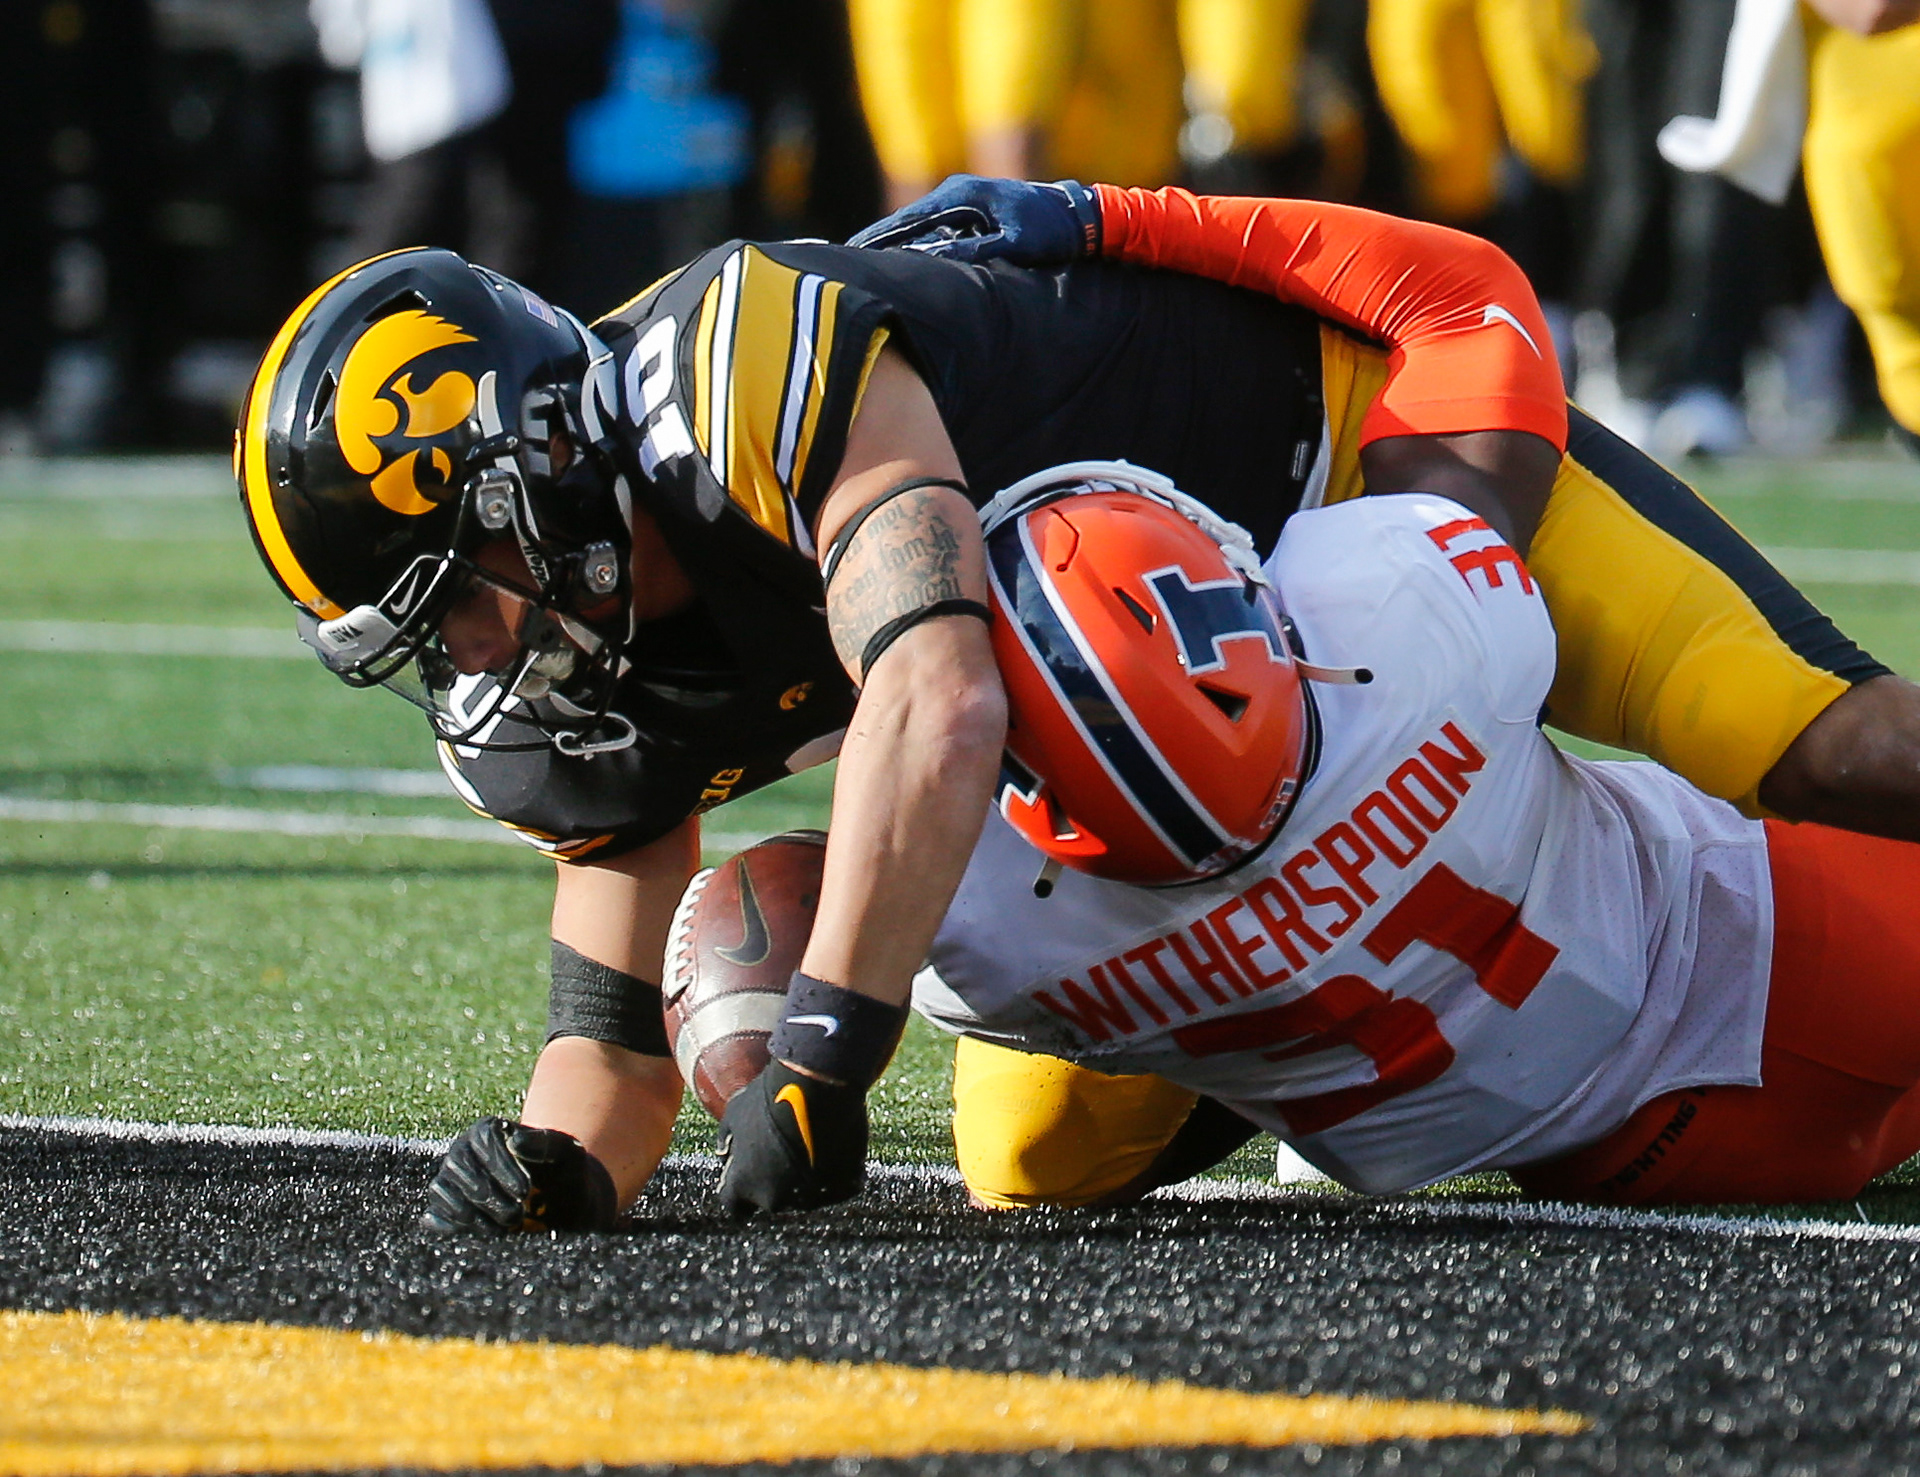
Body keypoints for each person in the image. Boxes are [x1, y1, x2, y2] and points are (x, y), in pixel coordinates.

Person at [235, 178, 1919, 1230]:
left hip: (1330, 483)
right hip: (1114, 719)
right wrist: (563, 1170)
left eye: (454, 594)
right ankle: (1242, 1058)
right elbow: (607, 1018)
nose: (465, 655)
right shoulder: (573, 659)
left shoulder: (734, 378)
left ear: (533, 465)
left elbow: (943, 695)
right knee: (1031, 1154)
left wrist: (826, 1051)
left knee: (1826, 745)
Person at [919, 462, 1920, 1206]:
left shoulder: (995, 937)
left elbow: (813, 896)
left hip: (1601, 1152)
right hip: (1782, 961)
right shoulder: (1400, 607)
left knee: (1026, 1157)